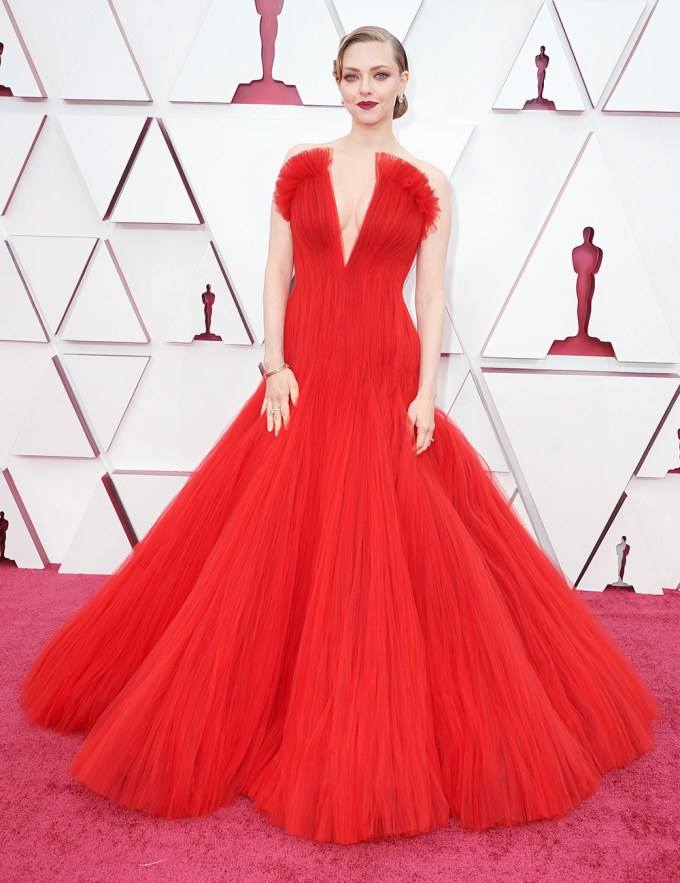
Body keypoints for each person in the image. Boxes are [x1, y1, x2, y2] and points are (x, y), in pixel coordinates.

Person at [20, 26, 660, 846]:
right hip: (307, 374)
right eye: (351, 75)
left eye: (379, 74)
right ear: (336, 82)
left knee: (392, 549)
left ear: (402, 81)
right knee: (271, 544)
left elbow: (430, 296)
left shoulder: (428, 181)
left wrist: (427, 391)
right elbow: (275, 272)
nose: (365, 88)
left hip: (386, 372)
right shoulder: (301, 167)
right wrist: (273, 364)